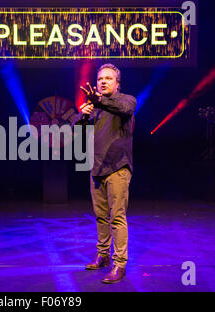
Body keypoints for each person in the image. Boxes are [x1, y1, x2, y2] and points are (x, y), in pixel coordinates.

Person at [73, 63, 136, 283]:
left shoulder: (126, 100)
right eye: (100, 78)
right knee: (101, 216)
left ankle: (119, 264)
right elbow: (76, 133)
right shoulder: (95, 106)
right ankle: (103, 255)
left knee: (117, 217)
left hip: (118, 167)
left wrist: (99, 101)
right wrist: (82, 116)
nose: (103, 82)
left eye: (108, 78)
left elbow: (124, 109)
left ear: (117, 83)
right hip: (97, 168)